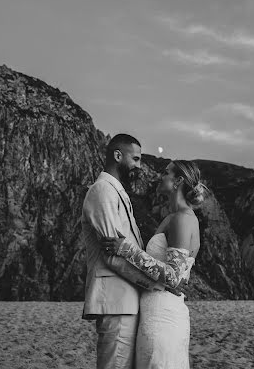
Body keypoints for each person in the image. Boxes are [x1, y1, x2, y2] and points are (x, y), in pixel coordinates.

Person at [101, 159, 207, 369]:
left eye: (166, 172)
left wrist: (126, 249)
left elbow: (173, 277)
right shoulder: (173, 217)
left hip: (162, 316)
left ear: (178, 181)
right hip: (154, 311)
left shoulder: (183, 219)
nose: (161, 175)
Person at [82, 133, 174, 369]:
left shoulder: (117, 191)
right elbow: (112, 254)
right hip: (115, 300)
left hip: (126, 300)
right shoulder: (102, 191)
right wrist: (154, 283)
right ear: (117, 155)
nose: (139, 166)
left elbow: (124, 248)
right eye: (136, 159)